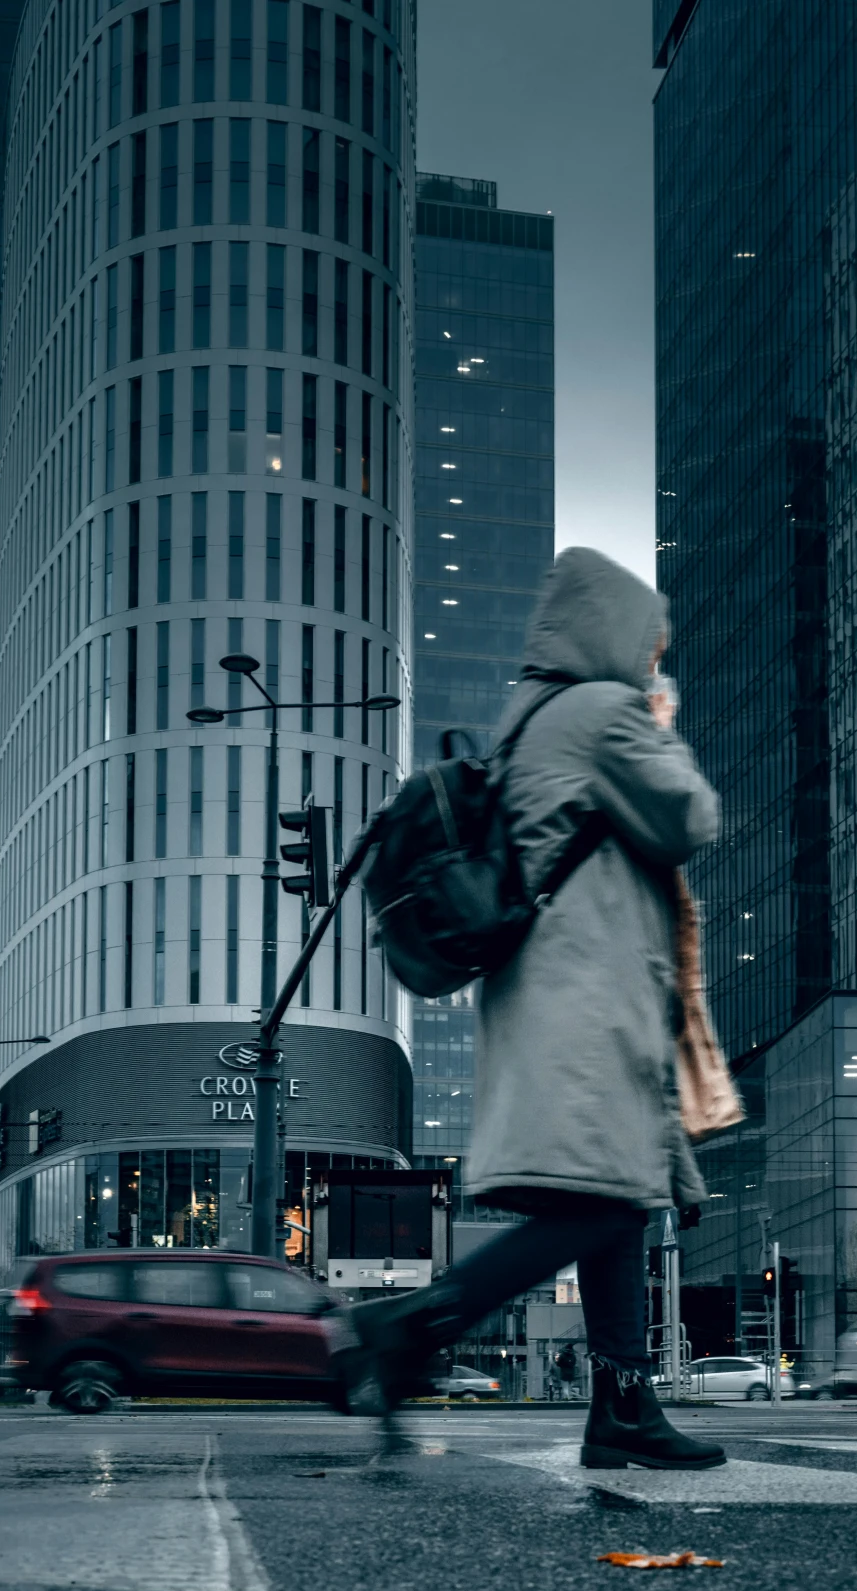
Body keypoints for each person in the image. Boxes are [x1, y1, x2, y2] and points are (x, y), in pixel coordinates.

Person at [341, 547, 727, 1471]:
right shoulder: (601, 712)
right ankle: (411, 1325)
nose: (652, 658)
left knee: (616, 1204)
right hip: (588, 1001)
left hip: (557, 997)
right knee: (603, 1205)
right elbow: (690, 819)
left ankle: (621, 1410)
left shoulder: (528, 724)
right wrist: (657, 726)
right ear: (615, 631)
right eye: (648, 641)